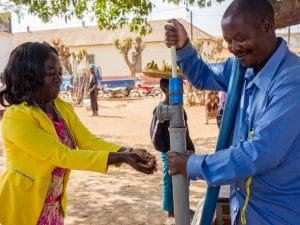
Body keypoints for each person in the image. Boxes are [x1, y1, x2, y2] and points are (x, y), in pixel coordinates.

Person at [164, 0, 300, 224]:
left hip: (278, 215)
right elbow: (203, 75)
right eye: (229, 41)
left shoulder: (291, 82)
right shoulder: (242, 67)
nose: (234, 47)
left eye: (240, 38)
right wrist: (183, 47)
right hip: (244, 210)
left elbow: (260, 153)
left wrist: (193, 164)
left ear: (266, 27)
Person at [0, 42, 157, 225]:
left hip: (52, 207)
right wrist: (121, 157)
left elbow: (88, 141)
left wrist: (128, 151)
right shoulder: (16, 117)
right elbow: (62, 155)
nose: (58, 78)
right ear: (30, 76)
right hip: (24, 207)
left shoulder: (61, 108)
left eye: (60, 72)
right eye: (51, 73)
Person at [150, 78, 195, 225]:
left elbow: (185, 132)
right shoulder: (161, 110)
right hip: (169, 153)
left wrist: (190, 148)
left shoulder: (180, 109)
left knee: (184, 180)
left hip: (183, 152)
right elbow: (155, 136)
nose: (181, 90)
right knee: (170, 181)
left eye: (181, 86)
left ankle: (182, 208)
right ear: (165, 89)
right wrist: (167, 150)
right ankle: (170, 212)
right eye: (176, 87)